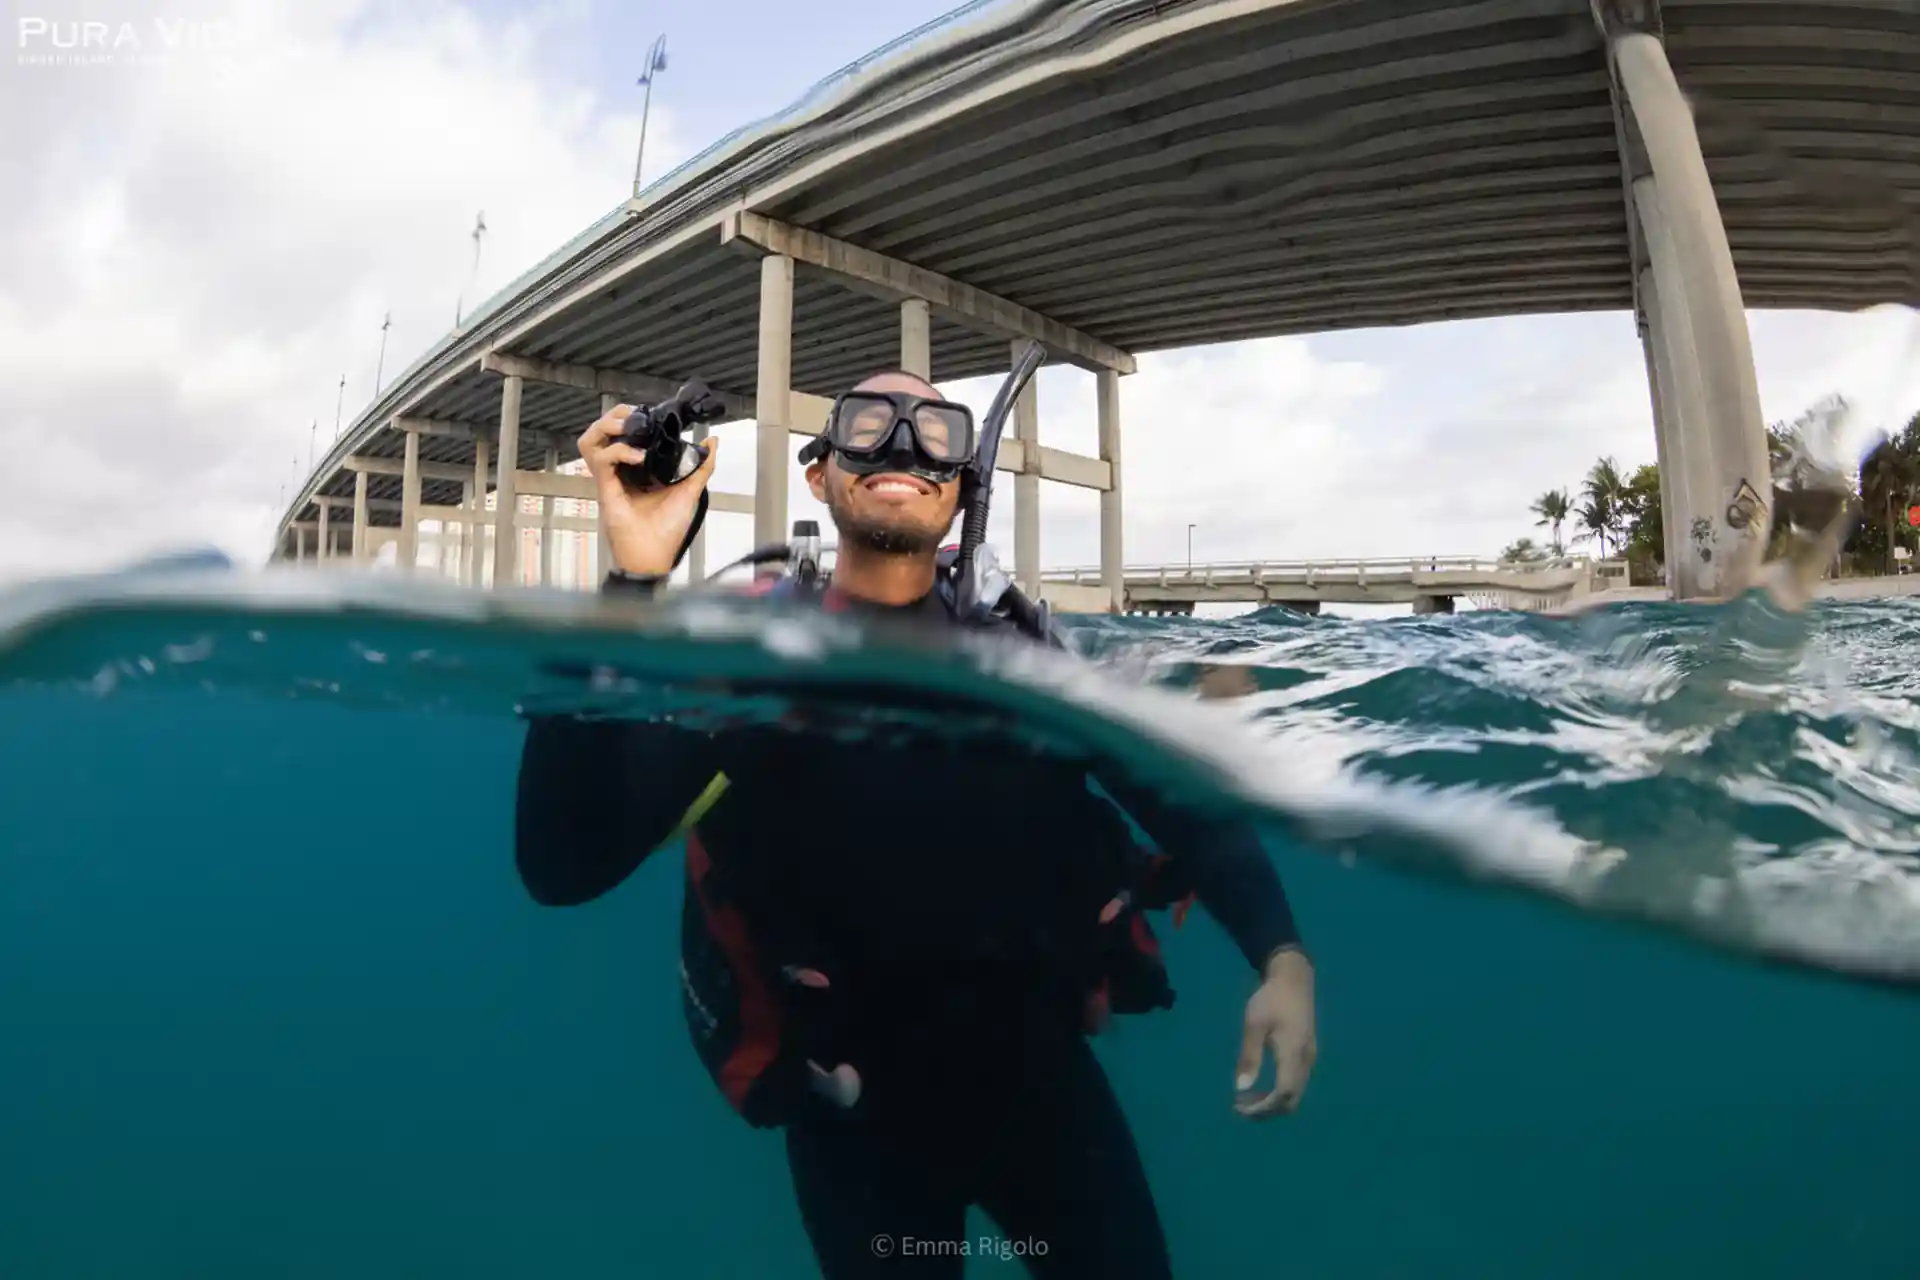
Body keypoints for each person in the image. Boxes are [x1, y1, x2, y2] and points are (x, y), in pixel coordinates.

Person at [514, 370, 1318, 1279]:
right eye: (868, 424)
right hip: (858, 1122)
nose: (901, 447)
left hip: (1047, 1094)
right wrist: (630, 579)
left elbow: (1188, 805)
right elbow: (562, 867)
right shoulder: (759, 675)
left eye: (935, 433)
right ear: (820, 476)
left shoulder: (1028, 664)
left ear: (964, 483)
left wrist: (1282, 959)